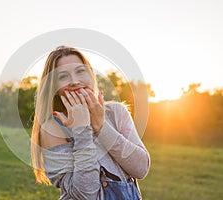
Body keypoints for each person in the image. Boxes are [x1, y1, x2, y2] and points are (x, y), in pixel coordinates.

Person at [31, 46, 150, 200]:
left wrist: (102, 127)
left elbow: (141, 169)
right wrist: (82, 129)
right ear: (53, 86)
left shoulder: (116, 112)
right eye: (63, 76)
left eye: (80, 71)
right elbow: (86, 194)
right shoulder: (52, 129)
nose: (74, 81)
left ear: (91, 75)